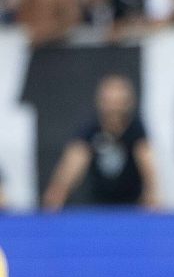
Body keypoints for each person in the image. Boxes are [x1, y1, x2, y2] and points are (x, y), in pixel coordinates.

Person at [42, 74, 159, 210]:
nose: (114, 108)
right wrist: (58, 192)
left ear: (128, 103)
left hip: (131, 206)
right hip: (98, 206)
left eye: (118, 102)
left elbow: (147, 164)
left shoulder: (136, 130)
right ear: (100, 102)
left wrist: (152, 193)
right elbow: (73, 163)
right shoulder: (90, 131)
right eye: (109, 101)